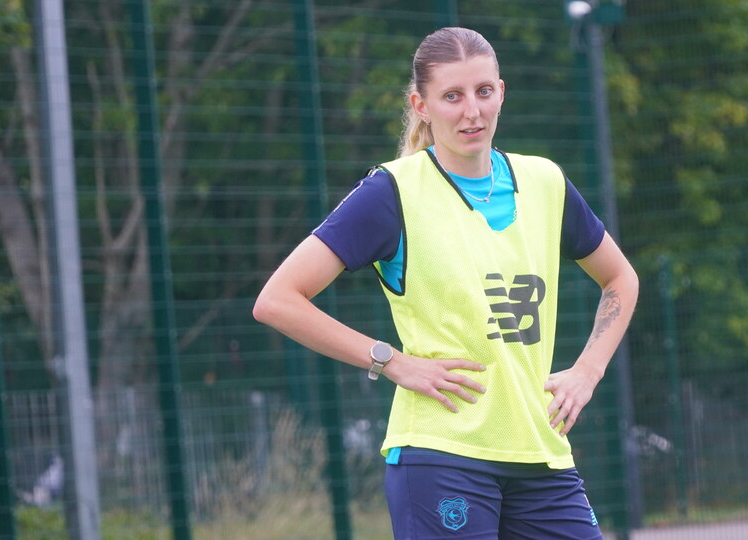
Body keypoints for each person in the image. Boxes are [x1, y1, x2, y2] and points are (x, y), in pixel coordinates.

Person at [253, 26, 639, 540]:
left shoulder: (545, 182)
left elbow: (620, 277)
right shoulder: (390, 192)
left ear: (502, 93)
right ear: (422, 105)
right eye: (452, 96)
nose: (472, 111)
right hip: (440, 456)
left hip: (540, 452)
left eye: (483, 91)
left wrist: (588, 370)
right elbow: (277, 300)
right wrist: (391, 361)